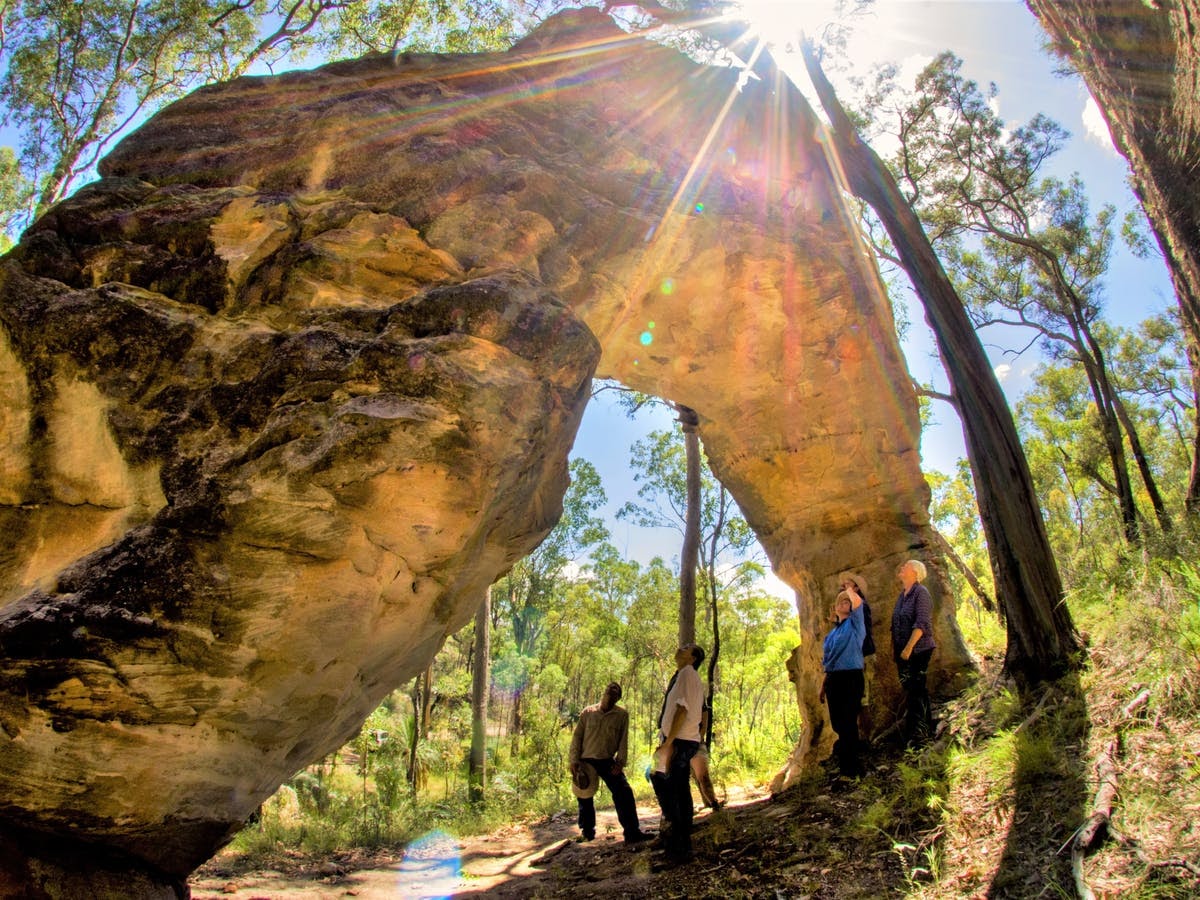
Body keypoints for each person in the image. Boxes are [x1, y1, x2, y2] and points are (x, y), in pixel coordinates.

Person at [568, 682, 651, 845]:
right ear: (603, 692)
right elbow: (577, 737)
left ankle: (632, 832)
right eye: (608, 690)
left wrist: (620, 763)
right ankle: (587, 832)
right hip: (586, 759)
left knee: (624, 792)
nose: (610, 694)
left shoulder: (621, 715)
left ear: (618, 698)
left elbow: (623, 740)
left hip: (607, 760)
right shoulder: (588, 712)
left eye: (615, 692)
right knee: (584, 795)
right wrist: (573, 760)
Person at [651, 643, 705, 863]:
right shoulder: (687, 675)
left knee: (666, 785)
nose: (680, 649)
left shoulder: (687, 675)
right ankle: (681, 847)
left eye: (686, 648)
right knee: (679, 790)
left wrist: (668, 743)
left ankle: (678, 848)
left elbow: (682, 710)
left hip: (679, 741)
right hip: (682, 740)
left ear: (692, 658)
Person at [819, 583, 865, 778]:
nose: (844, 603)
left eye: (847, 601)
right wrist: (823, 686)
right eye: (840, 602)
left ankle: (853, 769)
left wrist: (849, 589)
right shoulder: (832, 634)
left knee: (848, 721)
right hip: (833, 680)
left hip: (851, 677)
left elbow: (858, 602)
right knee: (838, 724)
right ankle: (846, 767)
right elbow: (828, 662)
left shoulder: (855, 624)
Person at [892, 559, 936, 747]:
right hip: (903, 653)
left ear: (916, 573)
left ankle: (922, 735)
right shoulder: (902, 596)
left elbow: (922, 623)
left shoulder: (921, 593)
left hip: (918, 649)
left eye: (906, 565)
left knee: (917, 690)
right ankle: (921, 729)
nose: (902, 567)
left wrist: (909, 648)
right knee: (912, 690)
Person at [839, 571, 875, 742]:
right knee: (855, 701)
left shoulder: (861, 607)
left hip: (863, 658)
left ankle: (867, 739)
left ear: (857, 588)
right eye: (842, 586)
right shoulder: (849, 612)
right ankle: (858, 739)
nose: (844, 589)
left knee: (863, 700)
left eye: (847, 585)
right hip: (853, 661)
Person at [691, 696, 721, 810]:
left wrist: (698, 738)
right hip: (678, 743)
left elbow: (704, 716)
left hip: (695, 742)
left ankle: (713, 803)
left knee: (703, 777)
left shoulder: (698, 696)